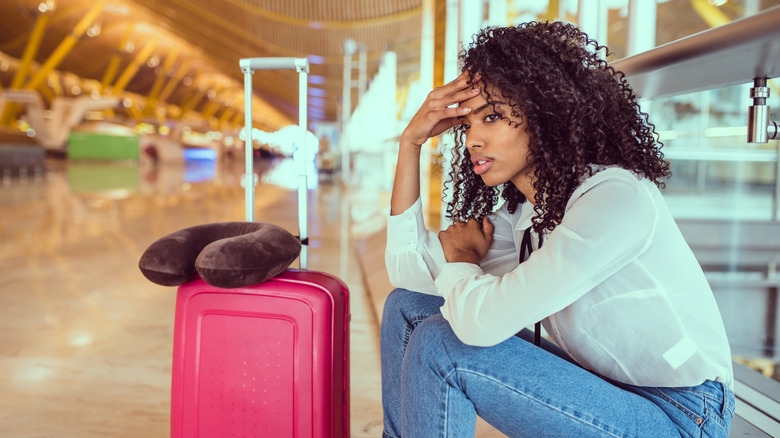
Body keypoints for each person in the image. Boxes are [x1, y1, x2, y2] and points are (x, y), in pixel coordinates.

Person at [382, 21, 734, 438]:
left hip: (682, 415)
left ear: (546, 113)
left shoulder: (615, 198)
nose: (473, 139)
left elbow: (481, 326)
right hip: (606, 391)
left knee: (443, 343)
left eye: (491, 117)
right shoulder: (528, 215)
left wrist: (462, 260)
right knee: (408, 306)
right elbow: (409, 273)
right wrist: (411, 144)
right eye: (467, 125)